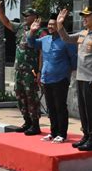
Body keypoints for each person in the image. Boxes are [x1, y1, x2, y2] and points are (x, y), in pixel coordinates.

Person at [57, 6, 92, 151]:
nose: (84, 18)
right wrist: (60, 24)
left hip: (91, 79)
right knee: (83, 109)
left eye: (87, 16)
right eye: (83, 16)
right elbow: (66, 38)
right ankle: (86, 135)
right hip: (80, 77)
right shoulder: (83, 33)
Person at [0, 2, 46, 135]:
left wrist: (40, 71)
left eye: (28, 15)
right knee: (20, 96)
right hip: (18, 70)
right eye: (24, 15)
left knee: (31, 97)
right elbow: (5, 22)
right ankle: (27, 121)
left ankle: (35, 125)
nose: (25, 17)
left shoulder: (41, 32)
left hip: (31, 71)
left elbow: (42, 53)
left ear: (35, 17)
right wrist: (0, 9)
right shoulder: (21, 27)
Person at [27, 14, 77, 144]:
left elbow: (74, 60)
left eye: (53, 25)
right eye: (49, 24)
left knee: (60, 106)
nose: (50, 26)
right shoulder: (45, 39)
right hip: (46, 79)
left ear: (59, 26)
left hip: (61, 79)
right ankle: (53, 132)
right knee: (50, 108)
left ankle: (62, 134)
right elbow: (31, 43)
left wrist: (67, 73)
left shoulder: (66, 41)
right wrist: (32, 31)